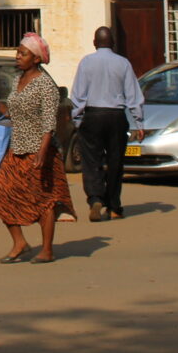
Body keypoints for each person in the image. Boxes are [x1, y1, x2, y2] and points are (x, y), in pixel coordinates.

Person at [0, 32, 77, 263]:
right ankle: (20, 242)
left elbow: (49, 123)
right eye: (18, 52)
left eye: (23, 53)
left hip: (40, 151)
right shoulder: (18, 81)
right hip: (17, 148)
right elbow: (15, 113)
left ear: (36, 58)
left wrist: (42, 152)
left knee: (43, 199)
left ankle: (47, 249)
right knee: (2, 192)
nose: (18, 56)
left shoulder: (46, 85)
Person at [71, 26, 147, 221]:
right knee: (115, 162)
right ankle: (114, 207)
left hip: (93, 114)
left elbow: (78, 95)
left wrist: (78, 119)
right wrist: (139, 123)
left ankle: (95, 198)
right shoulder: (123, 63)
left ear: (95, 43)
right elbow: (133, 95)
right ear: (112, 43)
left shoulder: (86, 63)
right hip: (116, 116)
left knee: (91, 161)